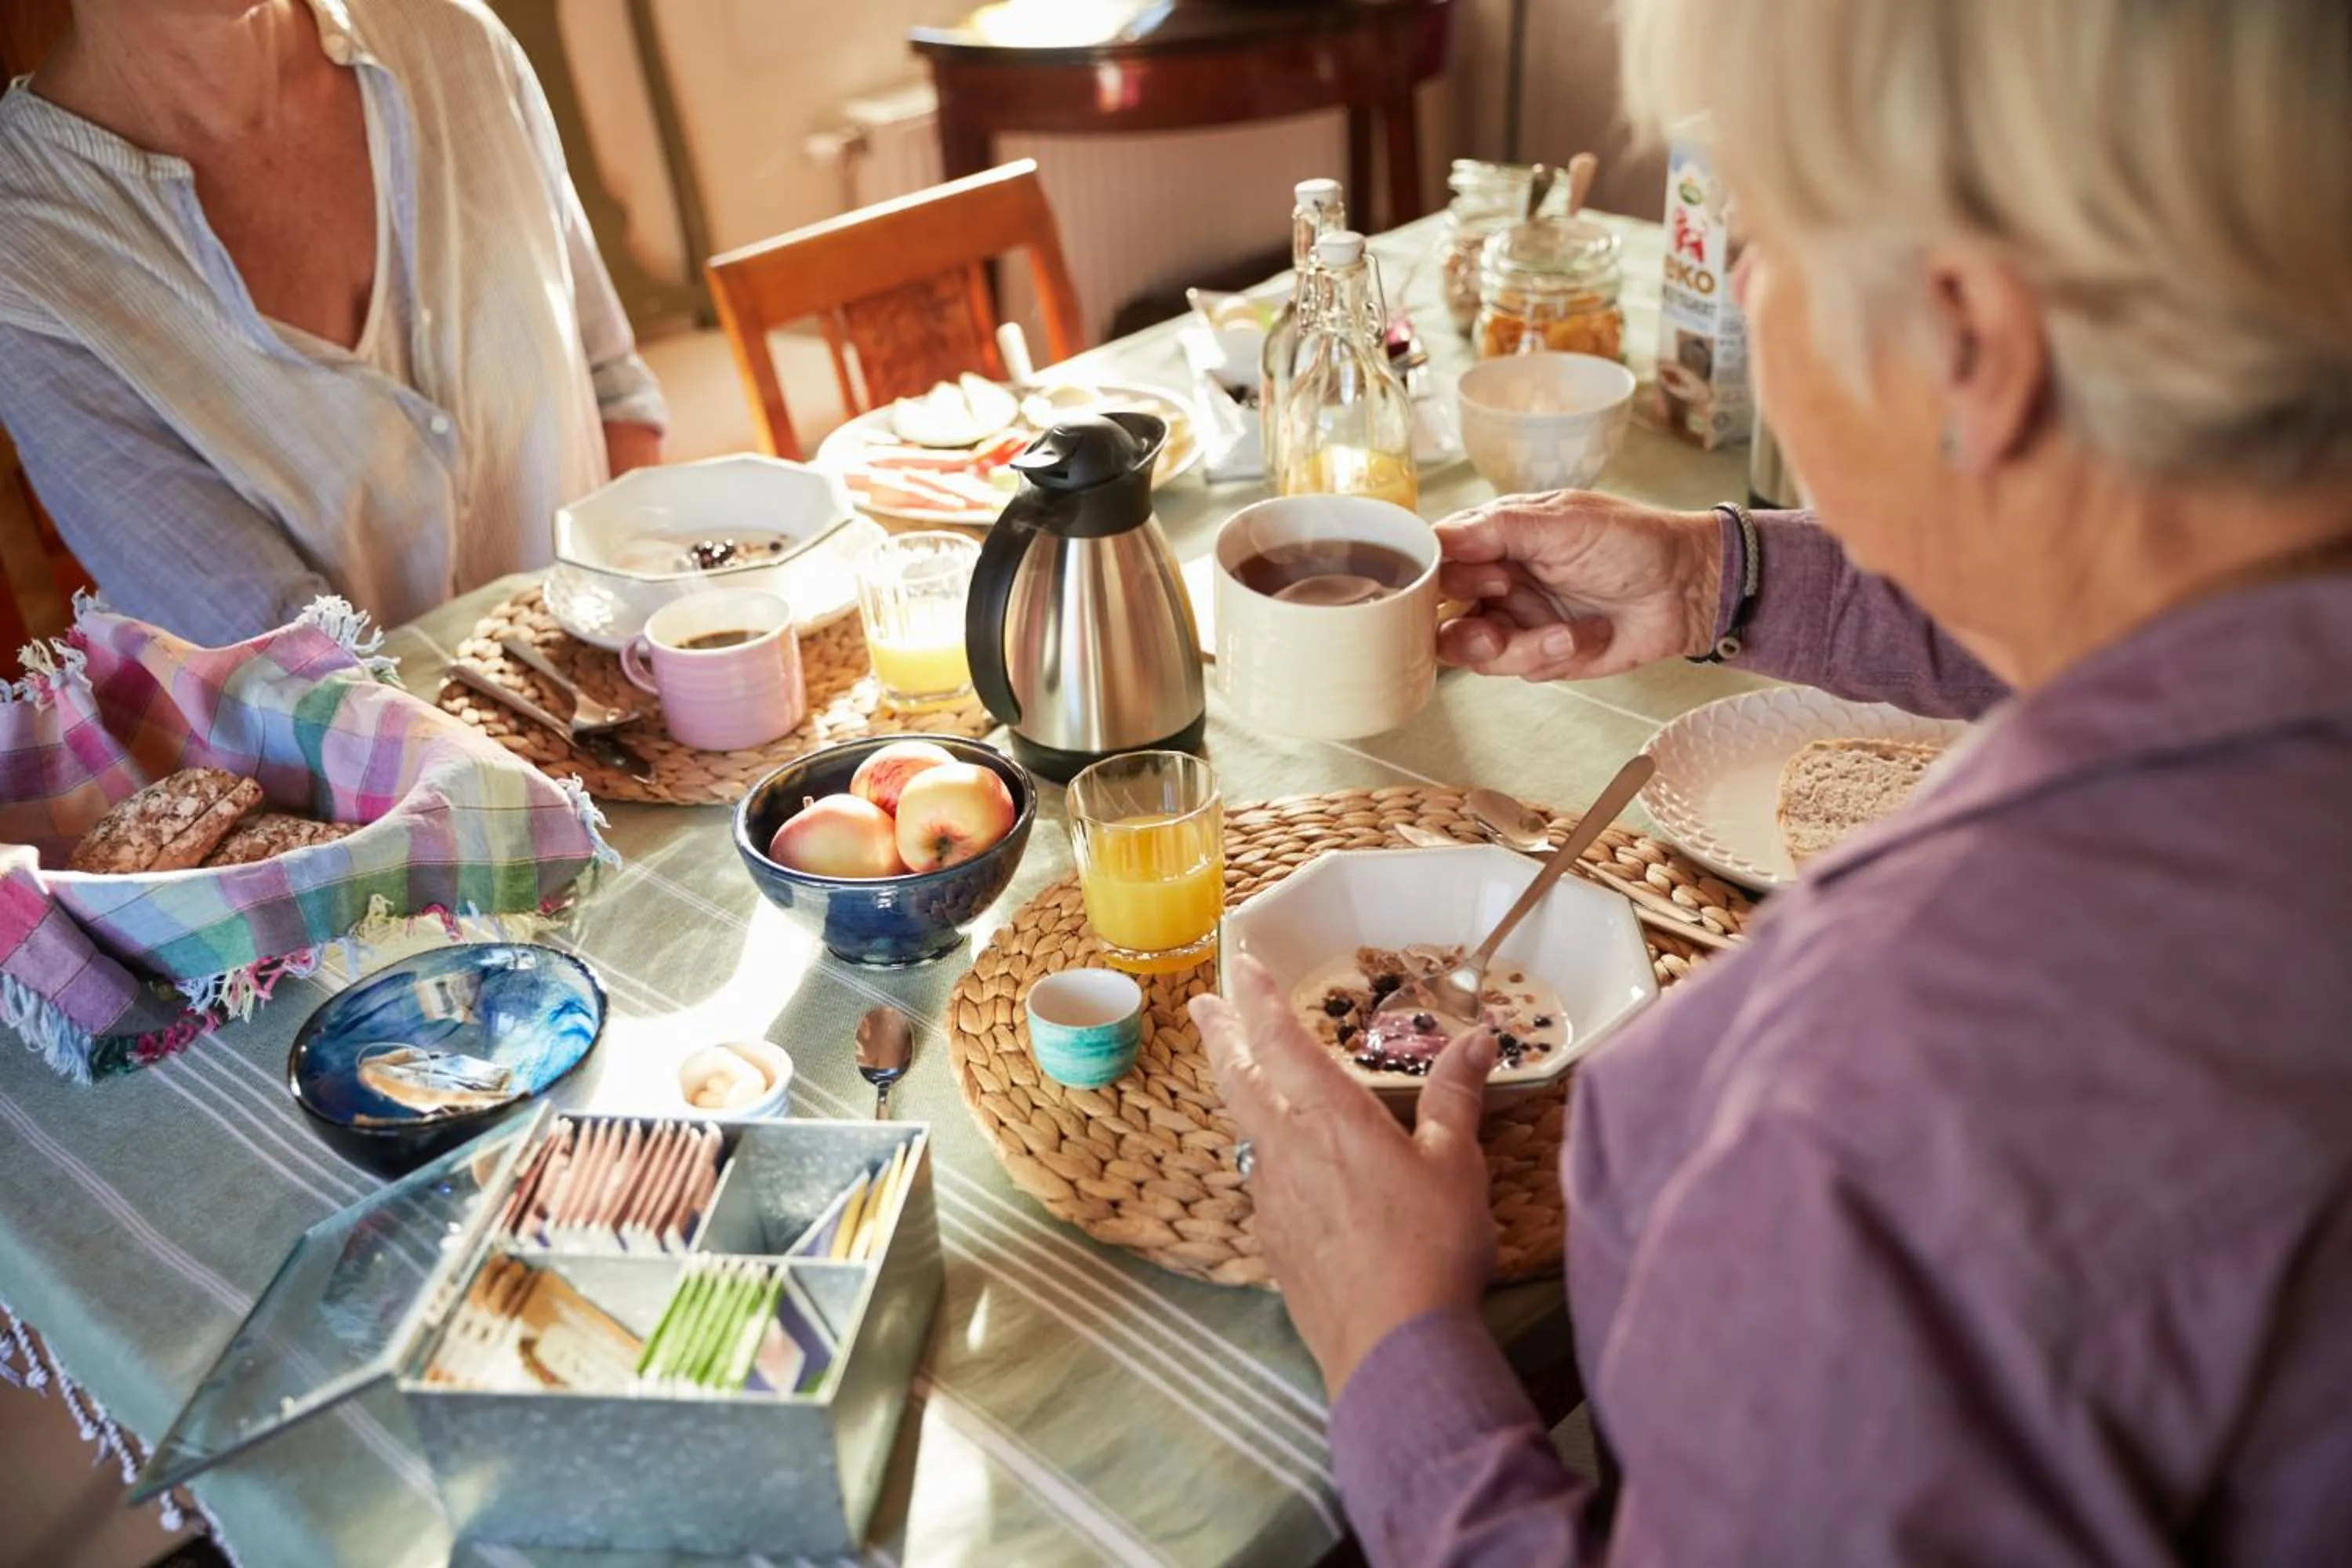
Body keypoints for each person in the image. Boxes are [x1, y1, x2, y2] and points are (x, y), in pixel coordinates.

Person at [1192, 0, 2352, 1561]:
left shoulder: (1894, 1110)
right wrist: (1720, 582)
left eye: (1769, 234)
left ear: (1965, 344)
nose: (1736, 283)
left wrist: (1392, 1340)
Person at [0, 0, 666, 643]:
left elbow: (617, 394)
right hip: (377, 757)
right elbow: (289, 667)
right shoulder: (23, 247)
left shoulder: (454, 39)